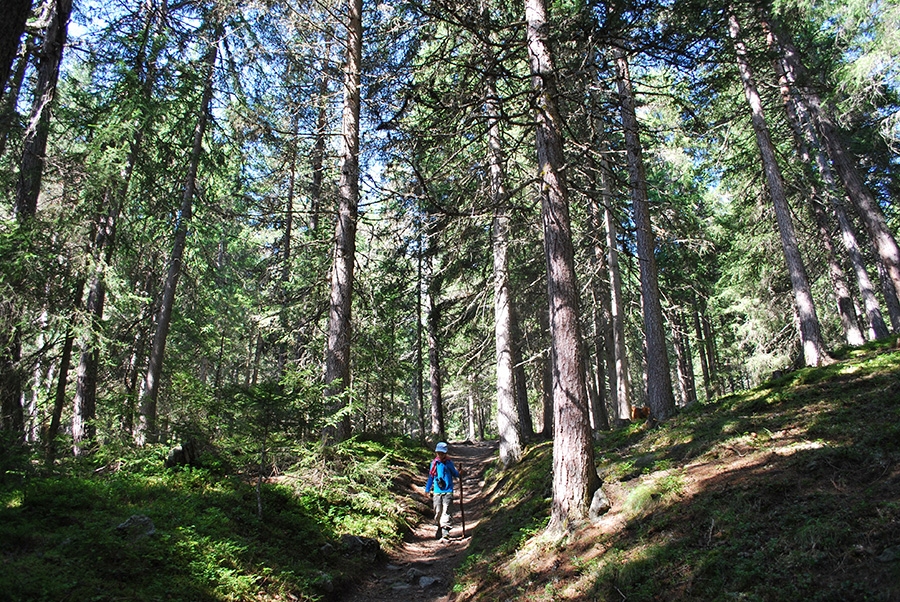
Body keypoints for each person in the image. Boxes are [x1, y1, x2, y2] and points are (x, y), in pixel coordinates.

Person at [424, 441, 460, 540]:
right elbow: (431, 476)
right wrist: (427, 489)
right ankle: (439, 526)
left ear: (445, 453)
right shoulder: (434, 463)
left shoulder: (449, 463)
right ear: (436, 453)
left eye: (442, 453)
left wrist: (459, 473)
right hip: (437, 491)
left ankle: (445, 531)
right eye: (439, 453)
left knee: (446, 511)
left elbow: (454, 473)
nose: (440, 455)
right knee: (438, 510)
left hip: (448, 490)